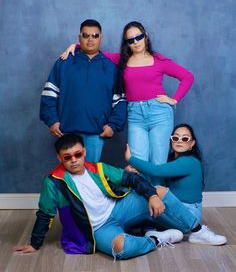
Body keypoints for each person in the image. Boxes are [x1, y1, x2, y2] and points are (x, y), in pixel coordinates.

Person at [13, 133, 210, 260]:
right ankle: (156, 239)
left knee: (159, 191)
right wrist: (34, 243)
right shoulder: (53, 181)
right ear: (59, 158)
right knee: (121, 248)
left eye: (77, 154)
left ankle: (197, 230)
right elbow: (45, 213)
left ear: (84, 152)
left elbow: (131, 179)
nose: (73, 160)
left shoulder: (97, 168)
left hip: (119, 208)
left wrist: (151, 195)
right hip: (98, 228)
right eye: (67, 157)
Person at [60, 21, 194, 184]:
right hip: (135, 115)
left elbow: (187, 77)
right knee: (137, 162)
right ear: (127, 43)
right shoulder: (122, 60)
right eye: (130, 40)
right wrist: (75, 45)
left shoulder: (159, 60)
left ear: (146, 36)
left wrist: (173, 99)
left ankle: (158, 203)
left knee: (158, 162)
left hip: (159, 113)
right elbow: (94, 50)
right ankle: (142, 204)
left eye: (138, 37)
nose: (135, 42)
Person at [125, 123, 227, 245]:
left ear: (192, 144)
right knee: (144, 198)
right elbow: (154, 172)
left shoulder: (190, 162)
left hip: (188, 213)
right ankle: (166, 233)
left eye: (185, 138)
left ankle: (198, 231)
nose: (179, 141)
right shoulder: (170, 160)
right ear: (171, 140)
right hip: (172, 210)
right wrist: (130, 171)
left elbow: (156, 170)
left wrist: (131, 159)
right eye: (175, 138)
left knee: (158, 191)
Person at [40, 19, 127, 162]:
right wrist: (52, 120)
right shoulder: (64, 62)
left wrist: (113, 125)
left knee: (90, 178)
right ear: (79, 38)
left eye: (95, 35)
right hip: (67, 132)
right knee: (69, 178)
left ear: (101, 38)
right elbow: (49, 94)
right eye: (86, 35)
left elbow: (120, 101)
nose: (90, 39)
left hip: (96, 134)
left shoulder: (112, 67)